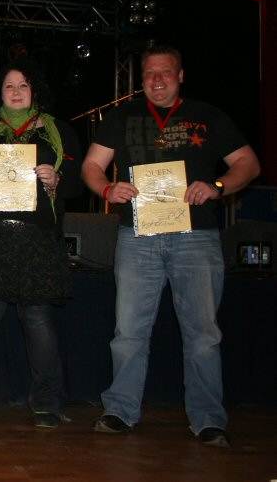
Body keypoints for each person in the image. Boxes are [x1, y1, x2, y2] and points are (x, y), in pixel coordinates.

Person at [81, 45, 260, 447]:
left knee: (203, 335)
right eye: (149, 73)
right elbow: (91, 166)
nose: (157, 80)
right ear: (141, 79)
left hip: (196, 237)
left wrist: (217, 186)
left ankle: (208, 418)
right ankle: (120, 410)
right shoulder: (121, 116)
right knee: (128, 332)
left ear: (180, 76)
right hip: (136, 236)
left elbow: (248, 164)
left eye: (165, 72)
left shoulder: (208, 115)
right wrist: (107, 188)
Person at [0, 60, 83, 427]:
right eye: (9, 86)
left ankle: (48, 401)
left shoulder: (58, 131)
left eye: (23, 85)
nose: (15, 92)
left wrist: (57, 179)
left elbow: (77, 184)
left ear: (35, 90)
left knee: (38, 319)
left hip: (37, 238)